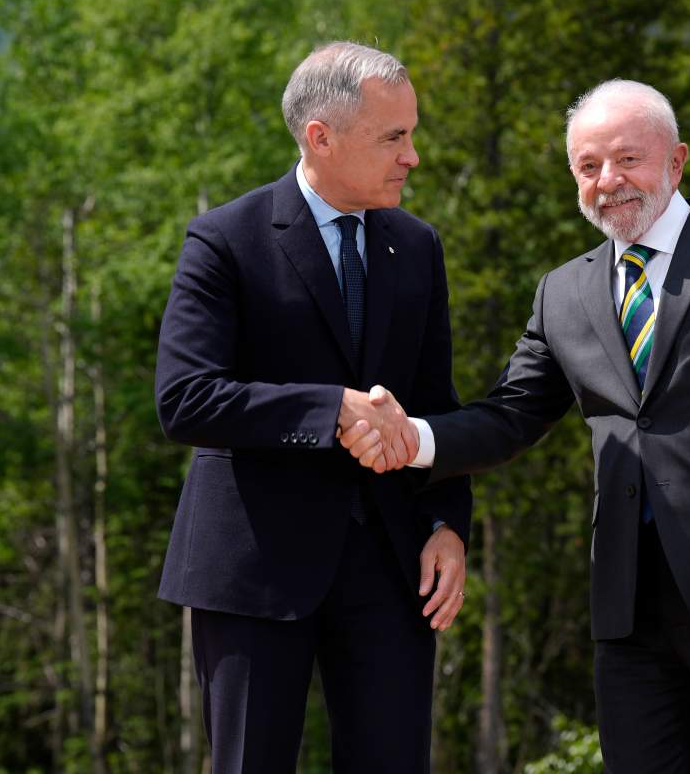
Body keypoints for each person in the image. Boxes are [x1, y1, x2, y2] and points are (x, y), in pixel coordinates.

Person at [342, 79, 690, 772]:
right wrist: (414, 440)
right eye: (587, 167)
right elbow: (511, 414)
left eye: (626, 160)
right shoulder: (565, 292)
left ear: (676, 162)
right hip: (629, 607)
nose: (607, 181)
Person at [153, 41, 471, 773]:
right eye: (394, 137)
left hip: (394, 573)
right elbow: (185, 398)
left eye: (412, 134)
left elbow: (435, 408)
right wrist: (329, 411)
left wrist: (448, 525)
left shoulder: (419, 247)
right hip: (254, 572)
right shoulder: (225, 239)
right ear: (319, 137)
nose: (413, 157)